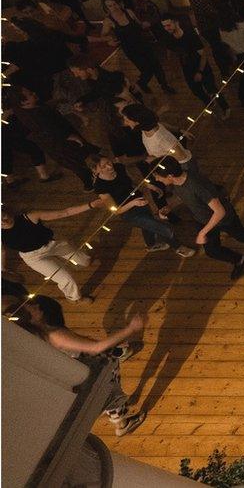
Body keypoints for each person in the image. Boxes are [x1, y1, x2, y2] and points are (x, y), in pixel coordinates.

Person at [9, 292, 147, 436]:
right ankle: (122, 423)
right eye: (33, 307)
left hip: (80, 367)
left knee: (109, 390)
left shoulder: (34, 335)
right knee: (111, 390)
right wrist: (130, 329)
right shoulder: (55, 335)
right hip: (93, 365)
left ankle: (119, 414)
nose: (35, 306)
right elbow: (96, 347)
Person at [154, 157, 244, 281]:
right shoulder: (176, 183)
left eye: (159, 176)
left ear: (170, 176)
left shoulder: (196, 185)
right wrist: (169, 207)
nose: (156, 179)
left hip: (223, 219)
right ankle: (239, 260)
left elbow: (220, 211)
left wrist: (202, 233)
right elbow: (183, 196)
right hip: (203, 219)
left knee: (240, 235)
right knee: (212, 250)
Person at [88, 155, 195, 257]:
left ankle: (151, 245)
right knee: (164, 229)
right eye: (103, 166)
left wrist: (151, 186)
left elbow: (133, 181)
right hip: (128, 213)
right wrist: (133, 203)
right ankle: (178, 247)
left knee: (148, 225)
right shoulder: (100, 187)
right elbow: (116, 210)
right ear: (96, 170)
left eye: (108, 162)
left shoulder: (119, 167)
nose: (109, 166)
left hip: (141, 202)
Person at [7, 85, 96, 189]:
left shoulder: (31, 108)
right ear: (23, 102)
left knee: (79, 162)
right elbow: (49, 130)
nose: (34, 93)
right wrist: (71, 136)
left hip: (61, 141)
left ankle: (92, 180)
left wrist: (56, 102)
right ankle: (91, 184)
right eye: (30, 94)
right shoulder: (34, 116)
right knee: (78, 163)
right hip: (60, 145)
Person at [1, 207, 94, 304]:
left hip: (52, 244)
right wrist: (3, 269)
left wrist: (91, 205)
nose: (3, 221)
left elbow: (63, 212)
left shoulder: (28, 217)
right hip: (33, 257)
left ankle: (86, 260)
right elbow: (1, 251)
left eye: (3, 216)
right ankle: (75, 298)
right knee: (65, 278)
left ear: (7, 212)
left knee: (85, 261)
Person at [100, 0, 175, 95]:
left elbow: (139, 25)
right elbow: (103, 35)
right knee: (146, 69)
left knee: (156, 65)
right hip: (131, 49)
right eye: (110, 6)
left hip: (143, 43)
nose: (114, 7)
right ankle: (140, 85)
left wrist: (146, 24)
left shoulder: (129, 12)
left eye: (115, 4)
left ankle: (164, 86)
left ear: (119, 3)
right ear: (107, 8)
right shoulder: (108, 21)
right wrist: (109, 41)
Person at [159, 14, 230, 117]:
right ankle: (210, 105)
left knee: (211, 88)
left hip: (201, 67)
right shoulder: (169, 38)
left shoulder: (190, 35)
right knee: (196, 91)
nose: (166, 28)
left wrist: (200, 72)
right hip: (187, 68)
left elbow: (203, 54)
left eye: (168, 25)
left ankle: (225, 107)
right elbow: (170, 52)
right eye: (164, 26)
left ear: (176, 22)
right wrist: (173, 69)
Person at [120, 103, 198, 175]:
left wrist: (155, 160)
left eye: (127, 120)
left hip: (184, 168)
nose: (125, 123)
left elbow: (181, 156)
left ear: (137, 122)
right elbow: (162, 125)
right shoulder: (147, 128)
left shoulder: (160, 138)